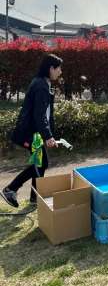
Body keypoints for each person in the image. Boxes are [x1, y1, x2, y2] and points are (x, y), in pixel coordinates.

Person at [1, 54, 63, 208]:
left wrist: (49, 134)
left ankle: (35, 198)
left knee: (39, 163)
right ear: (51, 68)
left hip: (35, 133)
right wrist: (48, 136)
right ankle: (11, 189)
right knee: (41, 163)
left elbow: (46, 114)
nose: (60, 72)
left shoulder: (43, 83)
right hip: (29, 133)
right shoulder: (41, 86)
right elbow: (39, 115)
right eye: (59, 68)